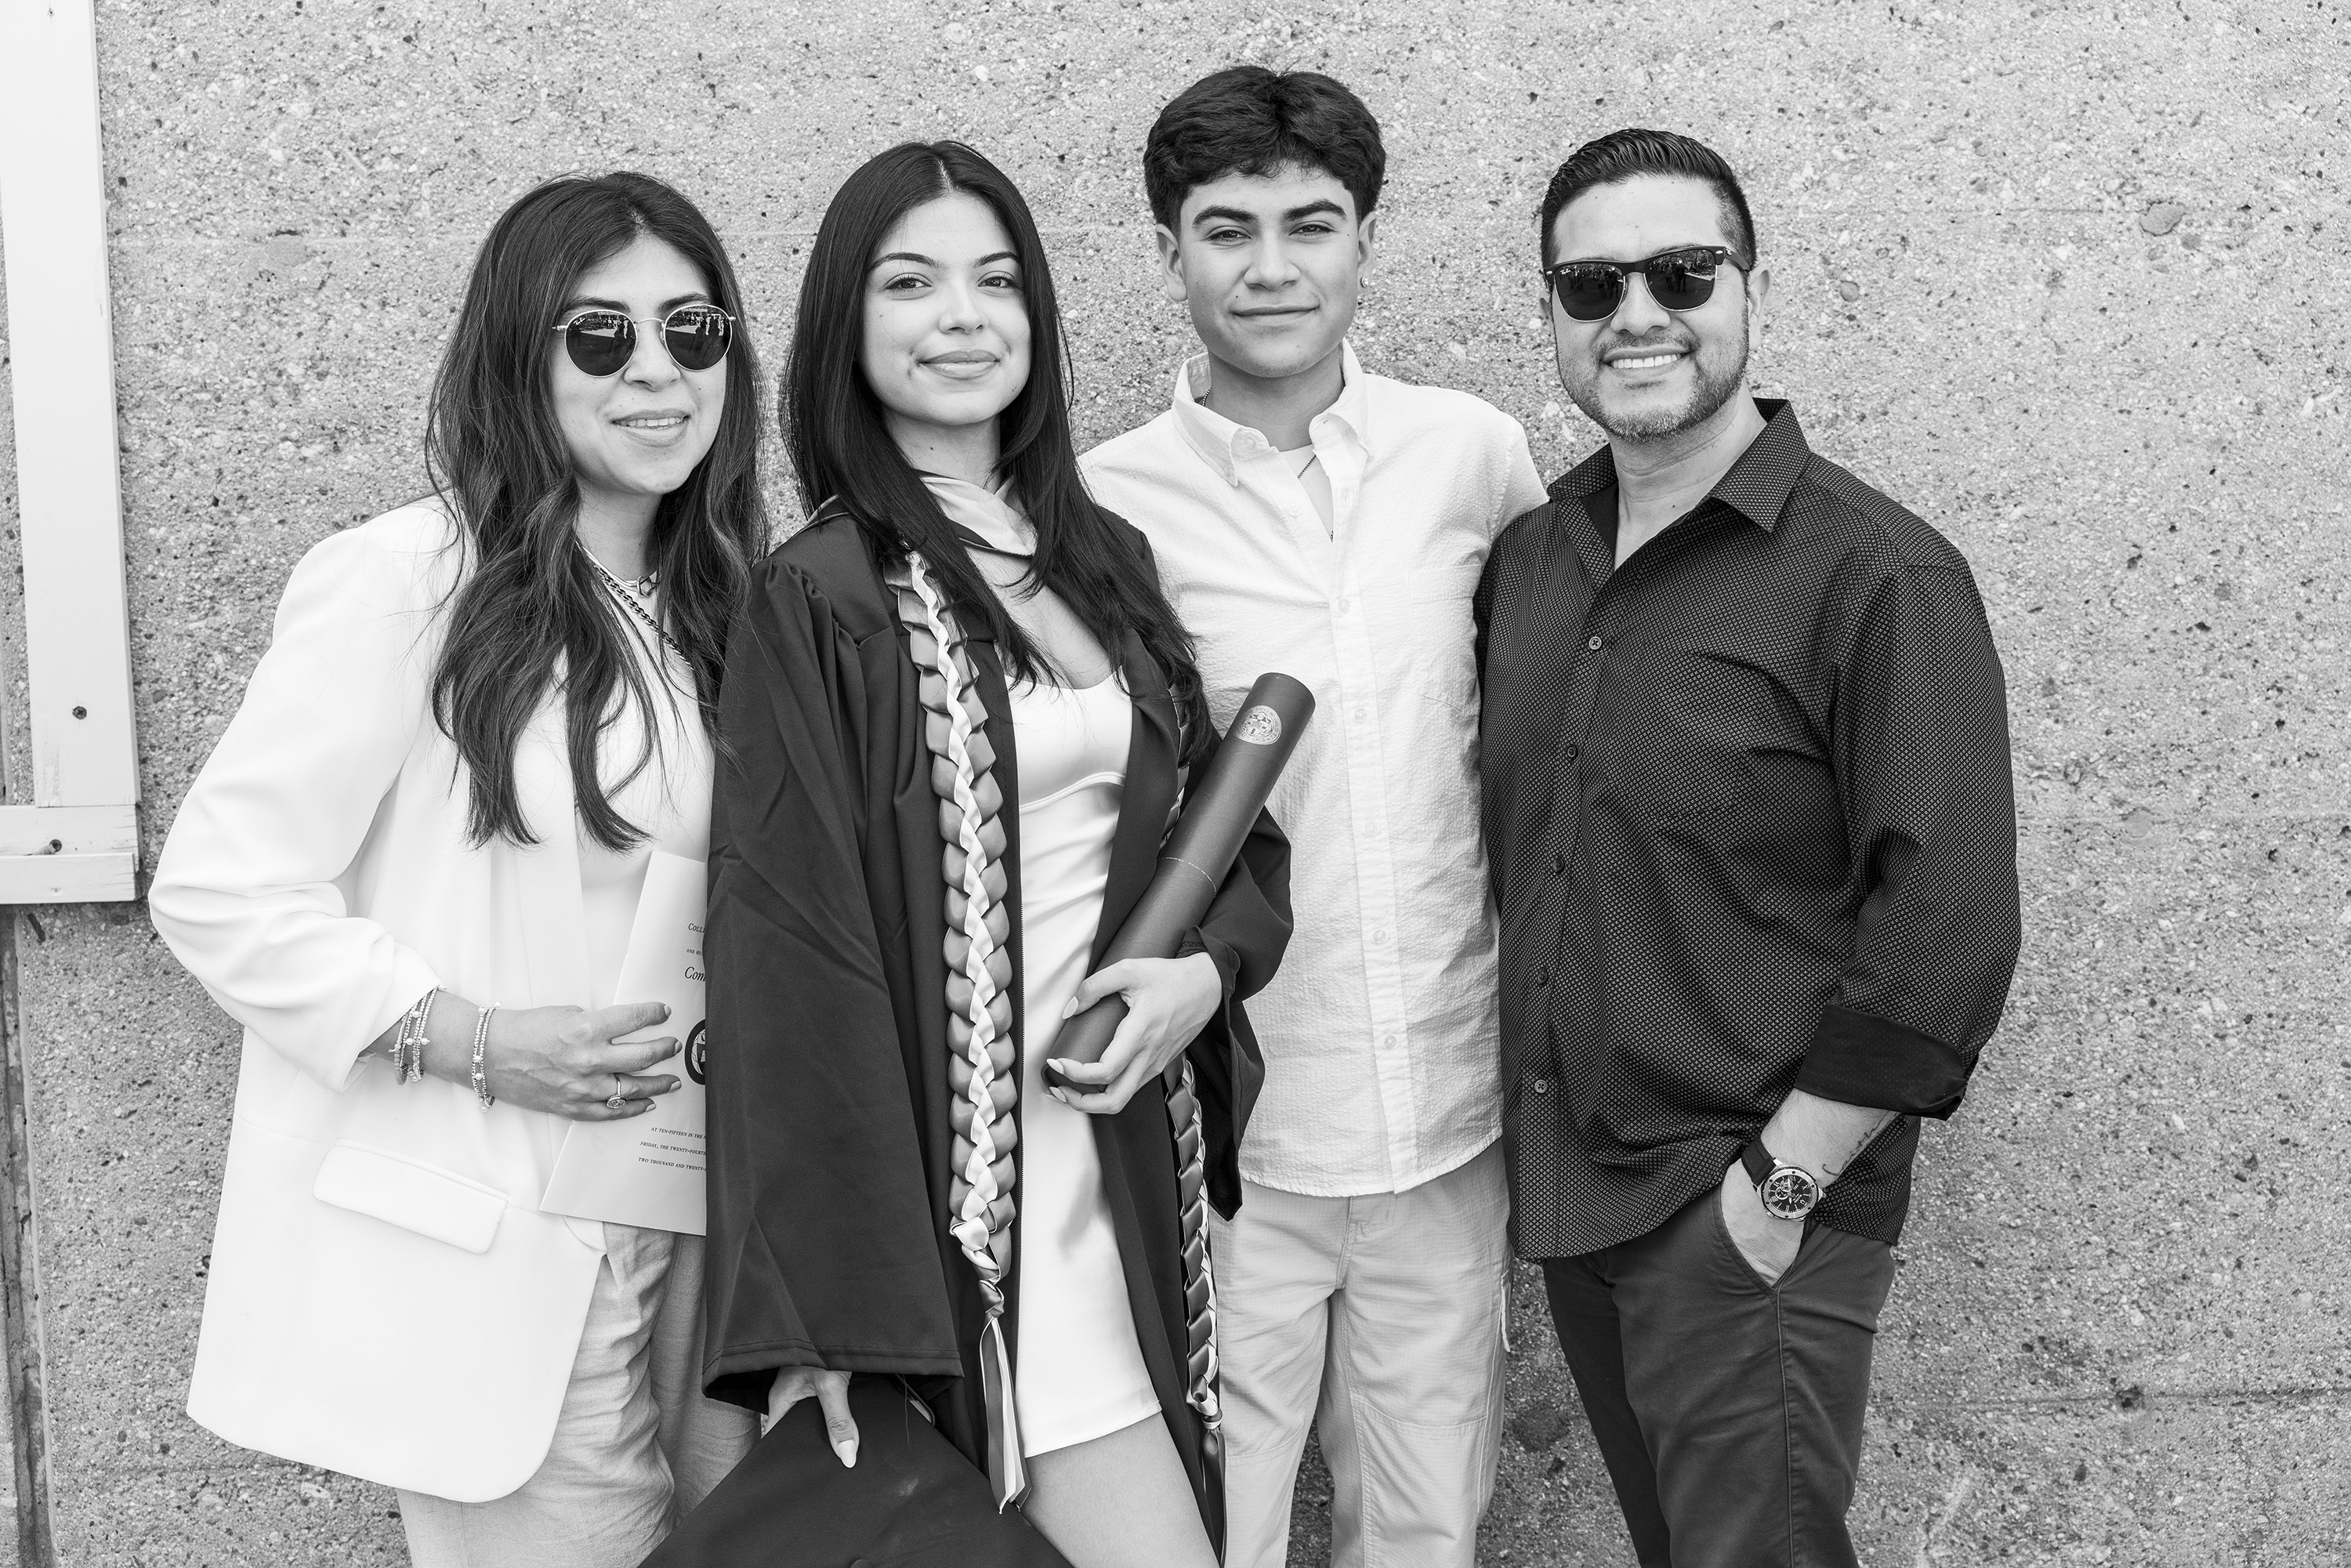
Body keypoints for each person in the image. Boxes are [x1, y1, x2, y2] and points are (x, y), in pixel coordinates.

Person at [147, 172, 765, 1566]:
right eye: (600, 335)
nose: (656, 370)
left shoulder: (728, 601)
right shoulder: (407, 581)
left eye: (693, 330)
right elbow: (220, 887)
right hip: (508, 1244)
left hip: (700, 1234)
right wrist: (474, 1039)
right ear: (518, 353)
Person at [697, 140, 1291, 1568]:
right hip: (951, 1215)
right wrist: (832, 1314)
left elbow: (1226, 834)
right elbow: (787, 948)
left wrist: (1204, 978)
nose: (963, 317)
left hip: (1116, 1166)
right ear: (847, 326)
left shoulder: (1102, 558)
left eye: (997, 281)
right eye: (912, 284)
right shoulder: (823, 594)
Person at [1476, 128, 2023, 1568]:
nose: (1636, 314)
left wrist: (1773, 1196)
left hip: (1749, 1203)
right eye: (1590, 285)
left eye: (1681, 272)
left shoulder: (1875, 571)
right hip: (1579, 1196)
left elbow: (1950, 921)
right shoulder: (1533, 561)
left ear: (1751, 292)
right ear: (1552, 312)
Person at [1081, 67, 1547, 1568]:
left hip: (1450, 1123)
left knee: (1425, 1535)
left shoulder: (1471, 454)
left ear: (1366, 240)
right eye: (1229, 230)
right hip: (1227, 1134)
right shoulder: (1101, 509)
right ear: (1170, 248)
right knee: (1210, 1537)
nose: (1271, 267)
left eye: (1312, 225)